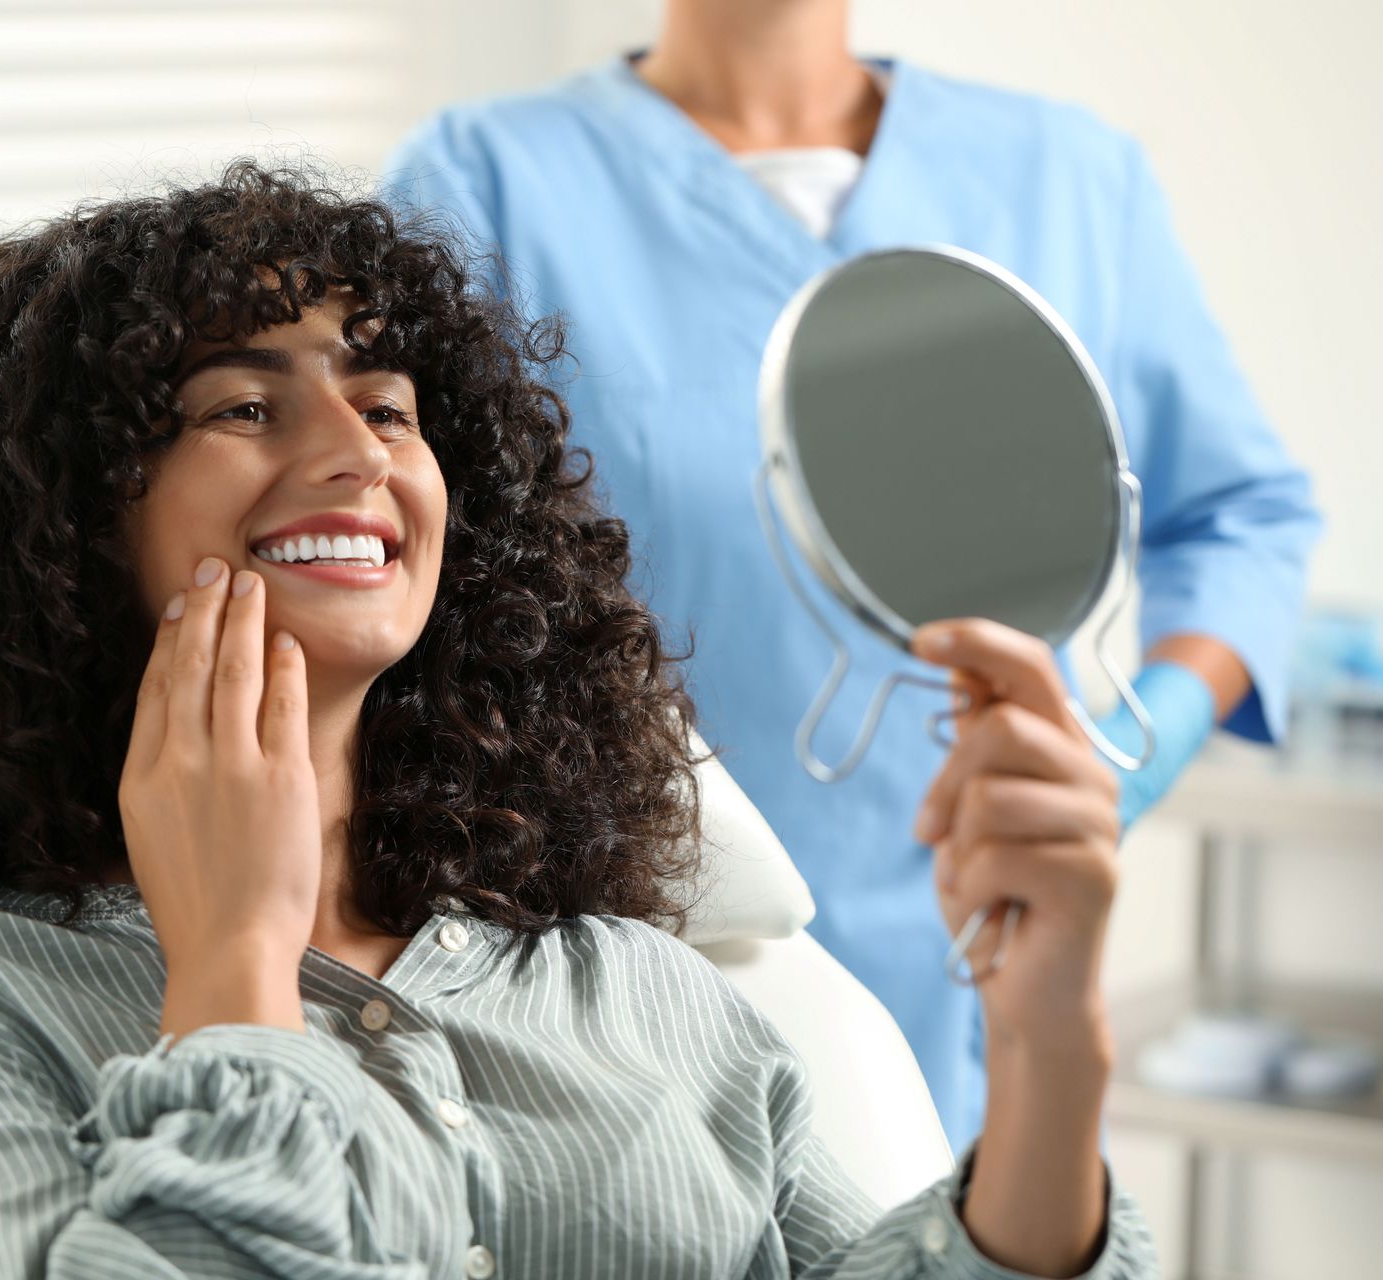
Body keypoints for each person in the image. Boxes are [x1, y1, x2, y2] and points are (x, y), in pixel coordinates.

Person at [0, 163, 1159, 1278]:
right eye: (240, 410)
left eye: (389, 409)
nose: (356, 454)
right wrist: (237, 966)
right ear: (54, 524)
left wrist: (1046, 1052)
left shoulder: (636, 983)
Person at [383, 0, 1324, 1152]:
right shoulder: (484, 180)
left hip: (983, 947)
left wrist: (1133, 752)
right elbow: (403, 565)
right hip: (634, 959)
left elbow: (1244, 515)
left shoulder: (1069, 178)